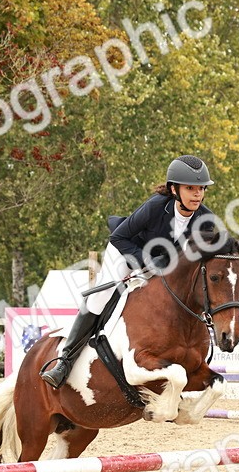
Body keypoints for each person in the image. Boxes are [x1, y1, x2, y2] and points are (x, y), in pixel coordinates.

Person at [40, 154, 216, 388]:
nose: (197, 194)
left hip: (164, 264)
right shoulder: (156, 207)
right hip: (126, 252)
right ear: (174, 189)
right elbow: (119, 237)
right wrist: (146, 261)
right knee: (100, 297)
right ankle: (65, 361)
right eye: (190, 188)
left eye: (201, 188)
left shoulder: (206, 220)